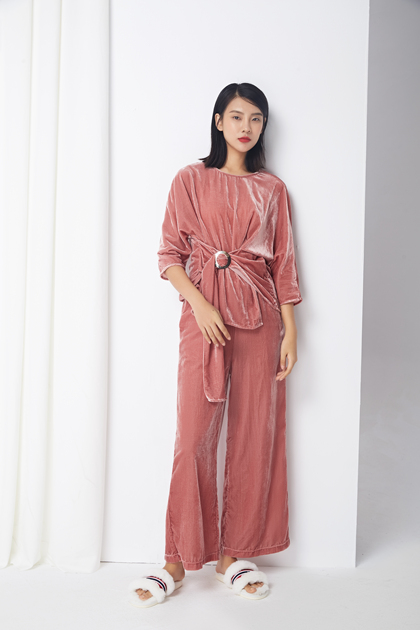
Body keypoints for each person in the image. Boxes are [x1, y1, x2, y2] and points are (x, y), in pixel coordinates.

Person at [128, 82, 302, 607]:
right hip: (203, 318)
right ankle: (176, 560)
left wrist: (291, 330)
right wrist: (200, 306)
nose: (246, 127)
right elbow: (169, 255)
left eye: (256, 119)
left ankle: (234, 555)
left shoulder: (272, 189)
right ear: (219, 121)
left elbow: (283, 264)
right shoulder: (190, 179)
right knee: (193, 436)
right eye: (237, 116)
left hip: (260, 318)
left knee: (253, 436)